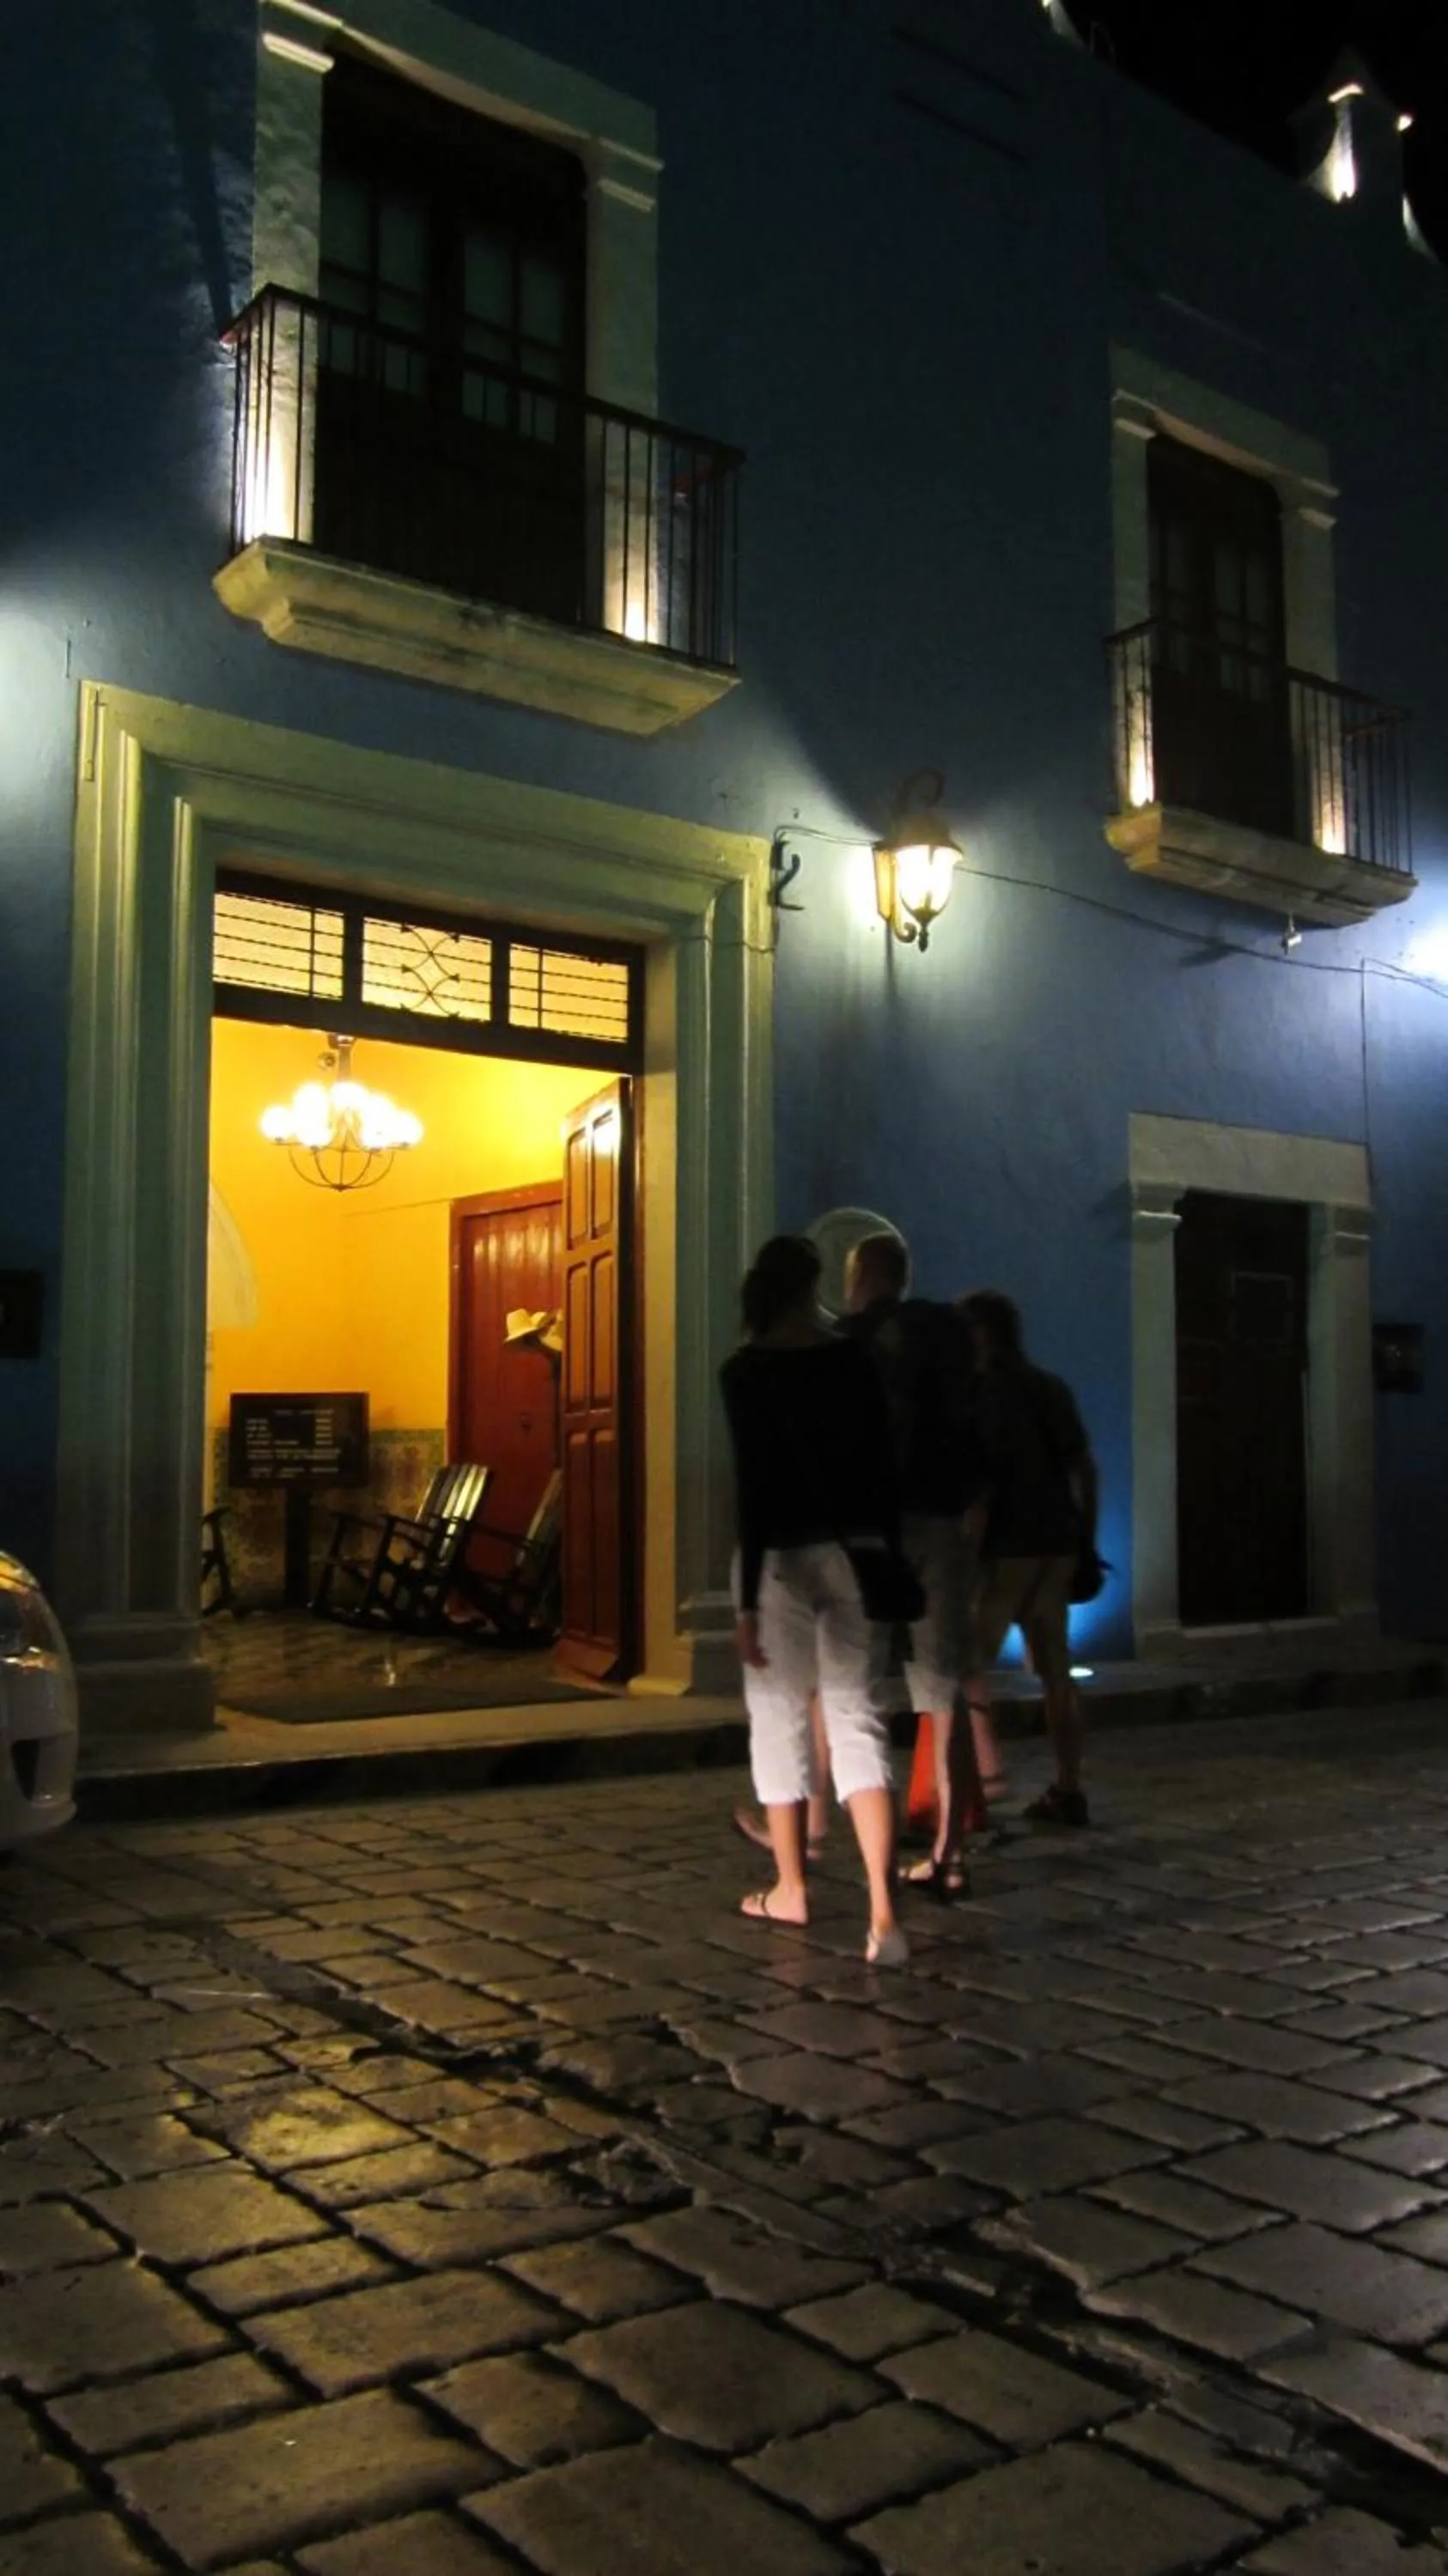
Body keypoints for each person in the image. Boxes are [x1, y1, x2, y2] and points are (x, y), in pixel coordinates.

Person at [721, 1234, 909, 1965]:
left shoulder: (745, 1371)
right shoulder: (852, 1357)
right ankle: (886, 1914)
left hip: (782, 1560)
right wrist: (883, 1551)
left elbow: (755, 1487)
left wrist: (742, 1603)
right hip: (855, 1553)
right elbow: (881, 1464)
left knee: (776, 1720)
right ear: (812, 1287)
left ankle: (791, 1887)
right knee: (858, 1720)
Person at [841, 1233, 989, 1896]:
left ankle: (860, 1843)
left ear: (864, 1274)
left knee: (858, 1688)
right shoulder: (949, 1337)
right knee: (942, 1691)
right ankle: (949, 1855)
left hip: (875, 1525)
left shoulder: (854, 1339)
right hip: (945, 1519)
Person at [959, 1288, 1098, 1826]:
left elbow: (983, 1484)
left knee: (967, 1669)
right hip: (1056, 1544)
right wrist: (1084, 1539)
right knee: (1056, 1674)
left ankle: (966, 1795)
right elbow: (1084, 1467)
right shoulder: (1050, 1387)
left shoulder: (981, 1393)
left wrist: (967, 1552)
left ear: (982, 1333)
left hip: (1006, 1549)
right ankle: (1068, 1786)